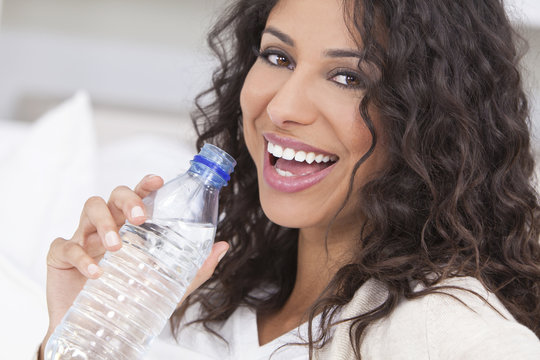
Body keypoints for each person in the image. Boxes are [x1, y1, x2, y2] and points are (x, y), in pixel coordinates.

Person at [39, 0, 540, 358]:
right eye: (278, 58)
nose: (281, 108)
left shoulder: (440, 329)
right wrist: (74, 336)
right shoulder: (206, 302)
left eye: (349, 77)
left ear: (430, 119)